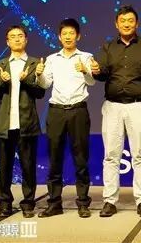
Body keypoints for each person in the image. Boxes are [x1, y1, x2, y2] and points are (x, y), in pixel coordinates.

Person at [91, 5, 141, 218]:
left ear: (137, 24)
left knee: (139, 155)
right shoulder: (108, 47)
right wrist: (96, 71)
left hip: (138, 105)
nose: (127, 24)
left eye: (131, 20)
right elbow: (102, 73)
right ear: (117, 24)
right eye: (123, 21)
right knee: (111, 155)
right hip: (112, 105)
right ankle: (110, 201)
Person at [37, 18, 95, 218]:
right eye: (64, 34)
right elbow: (45, 84)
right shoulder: (52, 59)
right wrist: (39, 75)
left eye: (72, 33)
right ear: (59, 37)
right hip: (56, 111)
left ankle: (83, 203)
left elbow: (92, 82)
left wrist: (85, 71)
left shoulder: (86, 57)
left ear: (78, 36)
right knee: (55, 158)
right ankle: (54, 203)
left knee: (81, 158)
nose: (68, 37)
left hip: (78, 110)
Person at [0, 25, 46, 218]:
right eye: (12, 36)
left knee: (28, 166)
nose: (17, 39)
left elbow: (40, 93)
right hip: (5, 124)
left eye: (20, 36)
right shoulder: (0, 65)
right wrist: (3, 81)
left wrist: (28, 80)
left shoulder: (35, 63)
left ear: (26, 39)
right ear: (7, 42)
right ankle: (4, 203)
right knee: (4, 167)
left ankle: (28, 203)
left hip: (27, 122)